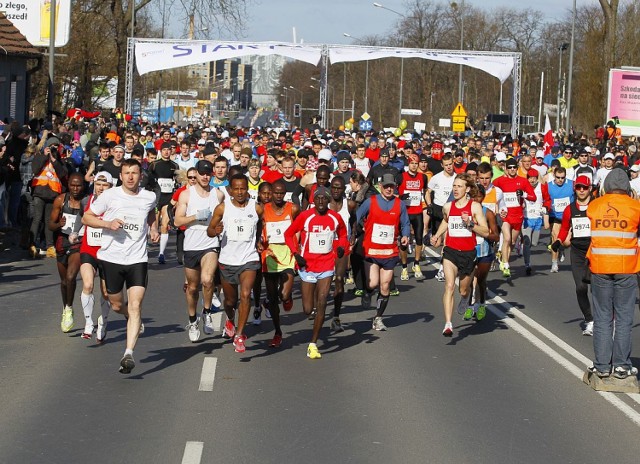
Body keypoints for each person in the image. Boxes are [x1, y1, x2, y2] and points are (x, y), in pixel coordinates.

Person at [82, 158, 160, 374]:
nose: (131, 177)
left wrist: (153, 228)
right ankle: (128, 316)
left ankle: (128, 354)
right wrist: (108, 223)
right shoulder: (109, 196)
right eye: (126, 173)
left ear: (140, 175)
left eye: (134, 173)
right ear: (121, 175)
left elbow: (151, 212)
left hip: (137, 259)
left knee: (136, 305)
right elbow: (87, 217)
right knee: (116, 305)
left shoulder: (148, 197)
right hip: (112, 258)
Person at [586, 169, 640, 379]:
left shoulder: (594, 205)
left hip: (600, 267)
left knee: (602, 318)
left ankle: (601, 365)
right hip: (626, 268)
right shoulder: (635, 207)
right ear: (628, 187)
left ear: (605, 186)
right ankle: (621, 365)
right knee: (624, 318)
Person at [284, 185, 348, 359]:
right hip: (307, 266)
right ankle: (292, 298)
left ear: (328, 201)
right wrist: (296, 254)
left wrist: (341, 247)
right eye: (317, 198)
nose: (321, 201)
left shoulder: (335, 218)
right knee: (307, 309)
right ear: (313, 200)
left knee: (322, 301)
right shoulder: (305, 216)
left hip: (326, 265)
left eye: (324, 199)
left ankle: (313, 343)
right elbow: (288, 234)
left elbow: (343, 235)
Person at [206, 174, 263, 354]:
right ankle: (230, 319)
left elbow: (261, 224)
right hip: (227, 260)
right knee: (230, 301)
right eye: (236, 189)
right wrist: (215, 231)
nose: (240, 192)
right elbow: (209, 231)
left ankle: (239, 335)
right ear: (230, 190)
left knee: (246, 294)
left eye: (243, 188)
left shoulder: (256, 208)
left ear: (248, 190)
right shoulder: (222, 208)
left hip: (249, 258)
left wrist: (259, 240)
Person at [430, 173, 489, 337]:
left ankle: (466, 298)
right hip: (450, 252)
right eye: (454, 186)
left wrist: (470, 224)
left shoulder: (474, 207)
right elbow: (446, 222)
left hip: (469, 253)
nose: (455, 189)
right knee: (449, 286)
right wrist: (437, 236)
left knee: (463, 290)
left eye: (459, 186)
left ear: (467, 189)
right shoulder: (448, 206)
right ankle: (448, 324)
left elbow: (485, 231)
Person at [173, 160, 224, 342]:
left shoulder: (218, 195)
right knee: (193, 288)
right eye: (201, 173)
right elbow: (177, 221)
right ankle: (193, 320)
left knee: (208, 280)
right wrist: (196, 217)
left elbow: (223, 217)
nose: (204, 176)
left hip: (210, 242)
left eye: (207, 173)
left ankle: (207, 312)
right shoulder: (187, 195)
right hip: (191, 245)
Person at [355, 173, 410, 331]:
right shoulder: (370, 202)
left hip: (389, 251)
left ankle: (378, 318)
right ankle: (367, 291)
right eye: (386, 186)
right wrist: (357, 230)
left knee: (385, 286)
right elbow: (357, 217)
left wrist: (405, 235)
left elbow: (405, 223)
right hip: (371, 250)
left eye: (391, 186)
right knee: (373, 283)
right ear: (380, 187)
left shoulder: (399, 204)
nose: (388, 189)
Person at [71, 171, 114, 341]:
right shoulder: (86, 201)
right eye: (98, 184)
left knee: (105, 292)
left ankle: (103, 321)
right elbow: (80, 217)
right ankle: (89, 323)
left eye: (105, 185)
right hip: (88, 249)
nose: (101, 188)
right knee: (87, 285)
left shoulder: (115, 203)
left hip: (108, 252)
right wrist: (74, 232)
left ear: (111, 187)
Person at [551, 175, 594, 335]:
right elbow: (564, 228)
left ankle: (604, 320)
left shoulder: (596, 206)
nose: (581, 190)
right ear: (575, 189)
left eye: (584, 187)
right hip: (577, 251)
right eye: (578, 187)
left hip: (594, 251)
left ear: (590, 188)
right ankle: (589, 320)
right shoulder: (570, 209)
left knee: (596, 289)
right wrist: (559, 241)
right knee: (580, 288)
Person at [261, 179, 299, 347]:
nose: (277, 195)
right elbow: (255, 228)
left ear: (285, 194)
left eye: (281, 193)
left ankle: (287, 296)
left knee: (283, 295)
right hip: (269, 256)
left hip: (288, 255)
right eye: (275, 192)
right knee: (272, 297)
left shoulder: (293, 209)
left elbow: (301, 227)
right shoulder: (263, 210)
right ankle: (277, 332)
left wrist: (299, 248)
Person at [49, 173, 86, 332]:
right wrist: (59, 224)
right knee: (64, 281)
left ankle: (69, 309)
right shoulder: (60, 200)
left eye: (78, 185)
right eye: (73, 185)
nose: (75, 189)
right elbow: (50, 224)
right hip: (62, 242)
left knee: (71, 277)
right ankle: (65, 308)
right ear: (68, 185)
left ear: (83, 186)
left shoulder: (87, 201)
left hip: (79, 242)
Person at [493, 157, 537, 278]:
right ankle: (506, 265)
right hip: (505, 216)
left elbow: (534, 197)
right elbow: (491, 193)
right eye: (509, 168)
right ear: (506, 169)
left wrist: (524, 194)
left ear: (517, 168)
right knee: (507, 239)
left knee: (512, 242)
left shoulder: (523, 181)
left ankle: (503, 257)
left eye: (514, 167)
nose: (512, 170)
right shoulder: (499, 181)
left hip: (518, 217)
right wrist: (497, 208)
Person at [468, 184, 500, 321]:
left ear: (483, 197)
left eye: (479, 196)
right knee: (468, 280)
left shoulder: (488, 213)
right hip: (468, 250)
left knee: (481, 280)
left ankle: (481, 305)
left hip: (484, 251)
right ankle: (469, 306)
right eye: (473, 196)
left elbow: (496, 236)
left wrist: (484, 233)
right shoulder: (465, 212)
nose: (476, 199)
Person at [328, 176, 356, 332]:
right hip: (325, 245)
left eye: (339, 188)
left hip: (342, 245)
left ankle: (336, 317)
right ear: (330, 188)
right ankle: (317, 307)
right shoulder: (323, 204)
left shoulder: (349, 205)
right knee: (322, 284)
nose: (336, 190)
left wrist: (353, 234)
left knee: (339, 280)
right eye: (334, 187)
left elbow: (354, 219)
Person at [398, 153, 428, 281]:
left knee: (419, 238)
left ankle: (416, 264)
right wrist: (400, 198)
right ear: (408, 164)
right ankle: (404, 267)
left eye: (416, 163)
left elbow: (425, 191)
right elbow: (394, 192)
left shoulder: (423, 177)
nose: (414, 166)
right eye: (412, 163)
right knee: (404, 240)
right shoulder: (401, 177)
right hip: (405, 213)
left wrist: (429, 204)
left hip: (417, 212)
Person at [149, 142, 178, 264]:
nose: (166, 152)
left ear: (171, 151)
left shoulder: (175, 165)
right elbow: (148, 180)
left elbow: (177, 181)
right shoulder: (154, 164)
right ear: (160, 151)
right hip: (157, 198)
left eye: (168, 150)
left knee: (165, 225)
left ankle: (161, 253)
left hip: (168, 198)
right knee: (154, 225)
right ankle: (147, 247)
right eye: (164, 150)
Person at [542, 166, 574, 273]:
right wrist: (545, 217)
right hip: (555, 217)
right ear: (554, 176)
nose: (560, 180)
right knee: (555, 238)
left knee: (567, 242)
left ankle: (562, 248)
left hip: (569, 218)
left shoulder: (571, 184)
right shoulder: (549, 186)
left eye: (562, 178)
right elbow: (545, 201)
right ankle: (554, 264)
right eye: (558, 177)